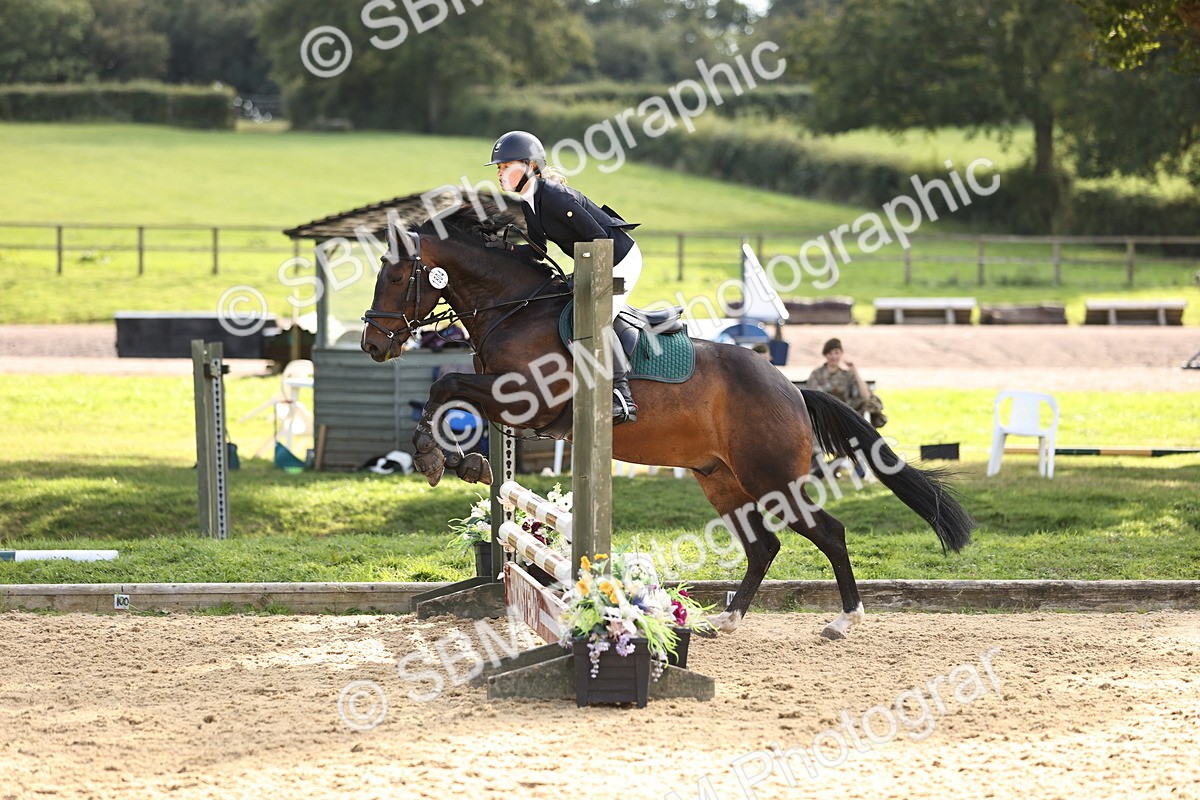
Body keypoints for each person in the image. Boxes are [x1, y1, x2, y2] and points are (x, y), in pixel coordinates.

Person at [485, 130, 643, 425]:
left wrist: (580, 277)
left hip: (620, 260)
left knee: (593, 318)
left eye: (506, 167)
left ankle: (622, 397)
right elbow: (538, 250)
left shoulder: (555, 196)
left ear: (530, 166)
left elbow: (598, 237)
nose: (500, 173)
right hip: (595, 261)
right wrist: (503, 249)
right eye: (499, 168)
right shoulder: (528, 202)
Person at [807, 338, 886, 428]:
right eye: (830, 353)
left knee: (868, 403)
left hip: (844, 417)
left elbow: (866, 396)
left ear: (841, 353)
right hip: (822, 417)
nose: (833, 357)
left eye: (836, 353)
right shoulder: (817, 374)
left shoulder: (847, 375)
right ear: (825, 355)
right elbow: (812, 398)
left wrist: (854, 371)